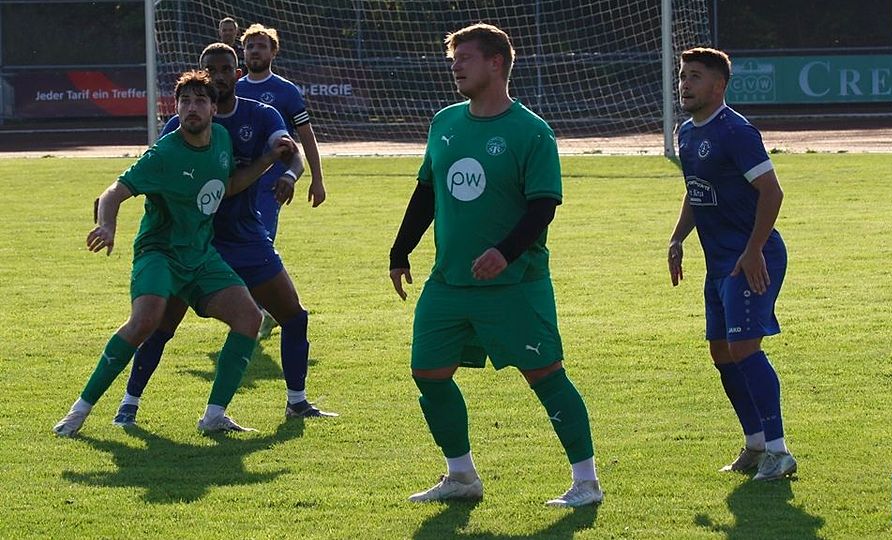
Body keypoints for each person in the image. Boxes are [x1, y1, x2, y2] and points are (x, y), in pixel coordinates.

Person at [389, 23, 602, 508]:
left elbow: (543, 205)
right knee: (428, 373)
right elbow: (426, 192)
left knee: (545, 375)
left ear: (496, 62)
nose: (456, 68)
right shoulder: (444, 122)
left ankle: (586, 482)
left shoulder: (532, 132)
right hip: (449, 282)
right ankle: (461, 476)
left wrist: (505, 252)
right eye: (453, 60)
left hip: (515, 284)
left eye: (464, 58)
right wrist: (400, 251)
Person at [53, 70, 298, 437]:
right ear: (176, 108)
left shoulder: (220, 139)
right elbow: (112, 193)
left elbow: (228, 186)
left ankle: (214, 416)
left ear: (214, 109)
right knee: (146, 321)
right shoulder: (164, 152)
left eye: (200, 101)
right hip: (160, 253)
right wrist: (106, 226)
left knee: (248, 317)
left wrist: (266, 159)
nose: (191, 108)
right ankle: (79, 411)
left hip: (200, 255)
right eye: (185, 101)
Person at [111, 43, 337, 428]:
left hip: (246, 235)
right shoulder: (183, 123)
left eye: (225, 69)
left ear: (238, 73)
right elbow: (158, 171)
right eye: (211, 70)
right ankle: (128, 406)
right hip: (194, 241)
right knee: (162, 326)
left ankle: (296, 402)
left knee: (293, 315)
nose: (218, 76)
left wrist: (289, 173)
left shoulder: (260, 114)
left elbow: (290, 151)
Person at [668, 47, 796, 481]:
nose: (685, 84)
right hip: (719, 260)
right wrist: (678, 237)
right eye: (683, 76)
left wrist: (754, 249)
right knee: (721, 352)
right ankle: (756, 444)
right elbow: (695, 189)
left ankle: (779, 451)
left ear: (719, 85)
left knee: (744, 348)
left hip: (751, 256)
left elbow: (772, 192)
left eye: (695, 76)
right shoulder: (686, 133)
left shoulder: (736, 131)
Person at [236, 22, 326, 338]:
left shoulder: (286, 91)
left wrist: (317, 178)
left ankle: (264, 312)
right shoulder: (235, 89)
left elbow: (305, 137)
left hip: (271, 186)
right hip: (238, 186)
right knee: (238, 247)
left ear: (273, 52)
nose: (255, 51)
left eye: (261, 46)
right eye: (250, 46)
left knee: (258, 246)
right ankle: (267, 310)